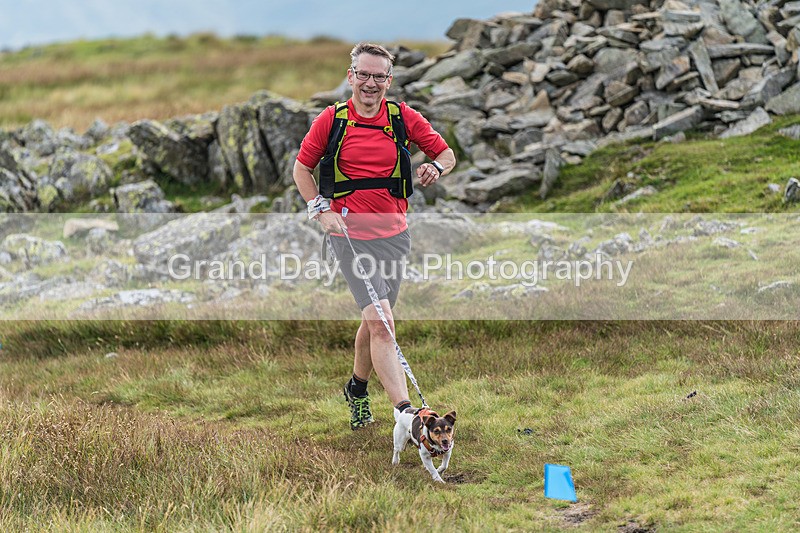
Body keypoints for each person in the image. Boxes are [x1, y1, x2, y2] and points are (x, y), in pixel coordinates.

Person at [293, 42, 456, 430]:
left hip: (395, 236)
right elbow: (302, 170)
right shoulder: (332, 120)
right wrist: (321, 210)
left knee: (375, 322)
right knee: (383, 323)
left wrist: (435, 167)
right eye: (363, 74)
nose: (370, 82)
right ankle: (406, 413)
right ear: (350, 76)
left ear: (389, 80)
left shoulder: (402, 117)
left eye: (378, 76)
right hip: (349, 237)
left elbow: (447, 155)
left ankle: (357, 388)